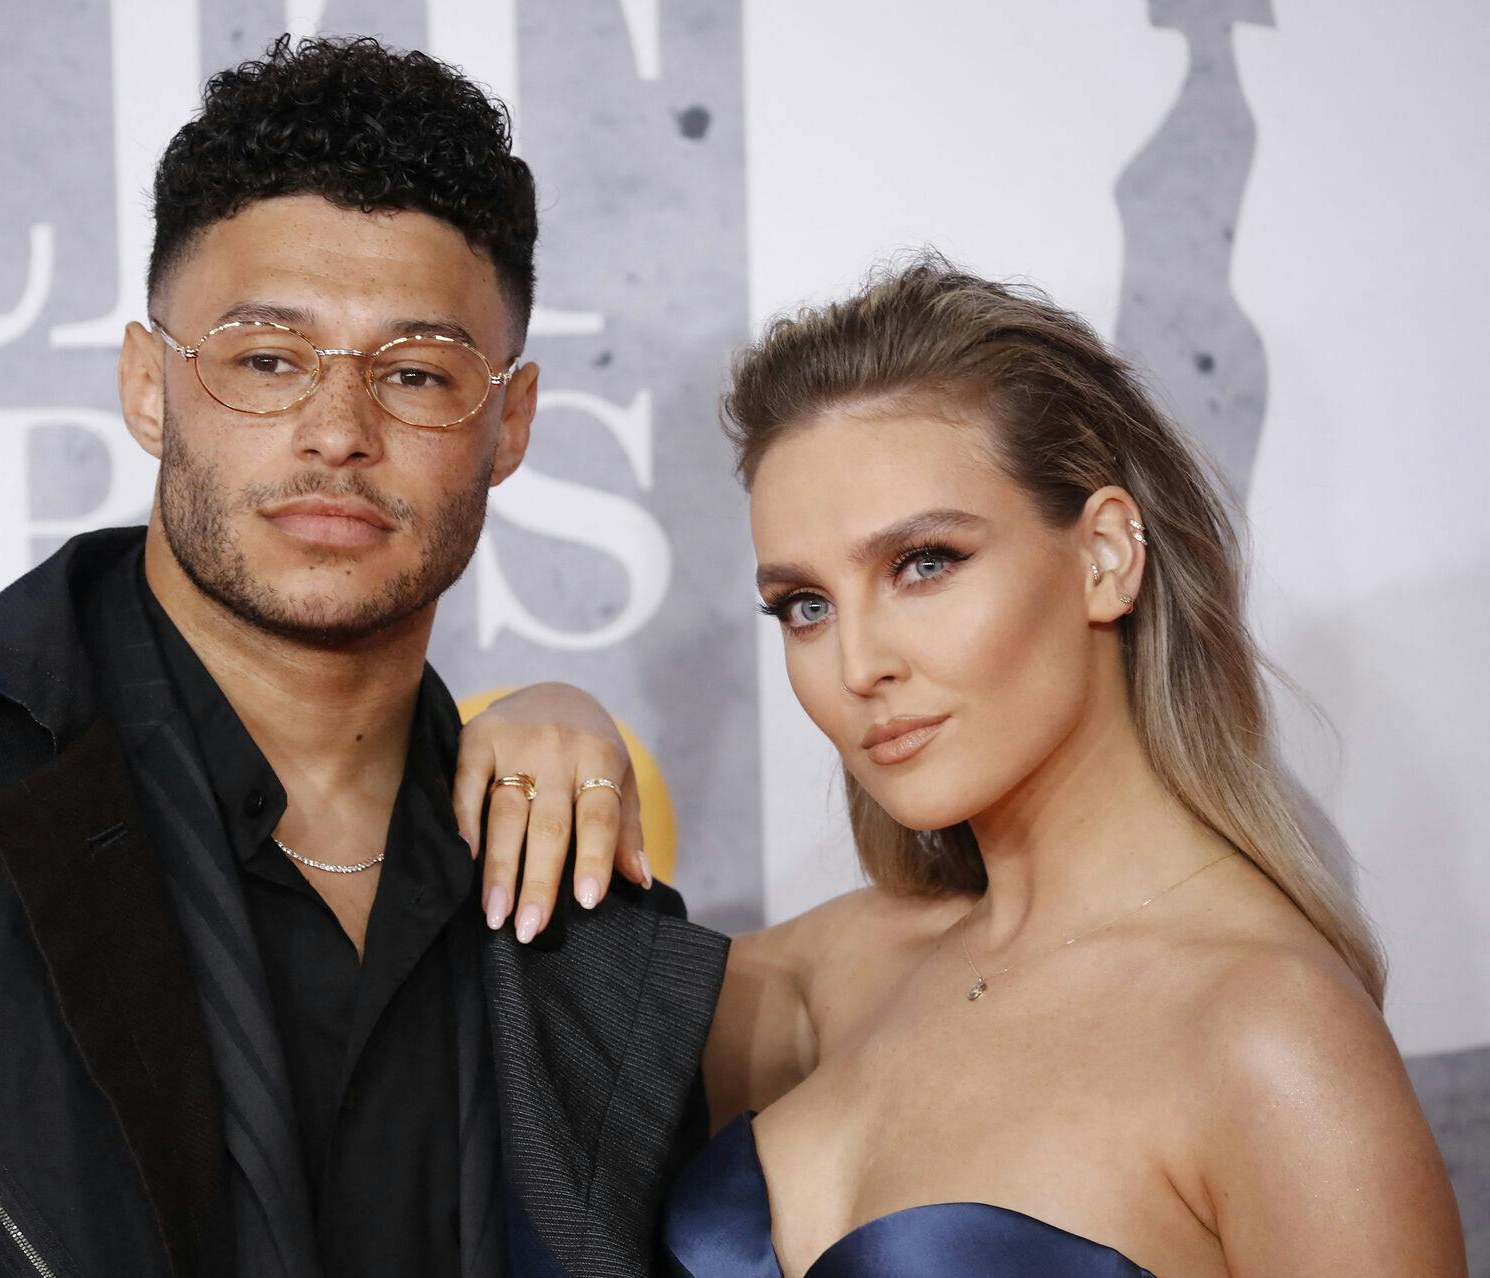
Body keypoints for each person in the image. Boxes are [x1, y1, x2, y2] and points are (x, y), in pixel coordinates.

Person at [0, 36, 726, 1278]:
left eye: (417, 373)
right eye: (267, 360)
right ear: (146, 386)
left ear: (512, 425)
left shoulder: (564, 900)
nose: (338, 431)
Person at [464, 259, 1467, 1275]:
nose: (859, 665)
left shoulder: (1273, 1040)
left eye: (923, 564)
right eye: (804, 606)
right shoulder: (838, 974)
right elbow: (507, 1036)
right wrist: (544, 712)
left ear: (1108, 555)